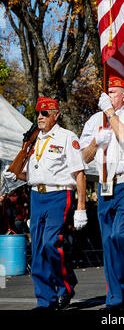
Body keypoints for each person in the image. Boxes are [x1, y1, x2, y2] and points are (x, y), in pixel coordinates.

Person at [2, 97, 87, 310]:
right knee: (38, 249)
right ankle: (45, 300)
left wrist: (81, 207)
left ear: (55, 115)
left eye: (45, 113)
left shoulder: (67, 137)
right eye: (38, 113)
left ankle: (65, 285)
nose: (40, 117)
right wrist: (15, 176)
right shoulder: (33, 141)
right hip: (36, 196)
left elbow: (79, 174)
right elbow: (32, 175)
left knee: (51, 242)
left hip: (59, 196)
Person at [79, 76, 124, 310]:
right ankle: (115, 295)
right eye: (107, 92)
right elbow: (84, 157)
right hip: (106, 184)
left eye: (114, 92)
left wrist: (110, 112)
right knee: (108, 240)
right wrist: (95, 143)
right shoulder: (94, 120)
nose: (108, 96)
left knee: (120, 234)